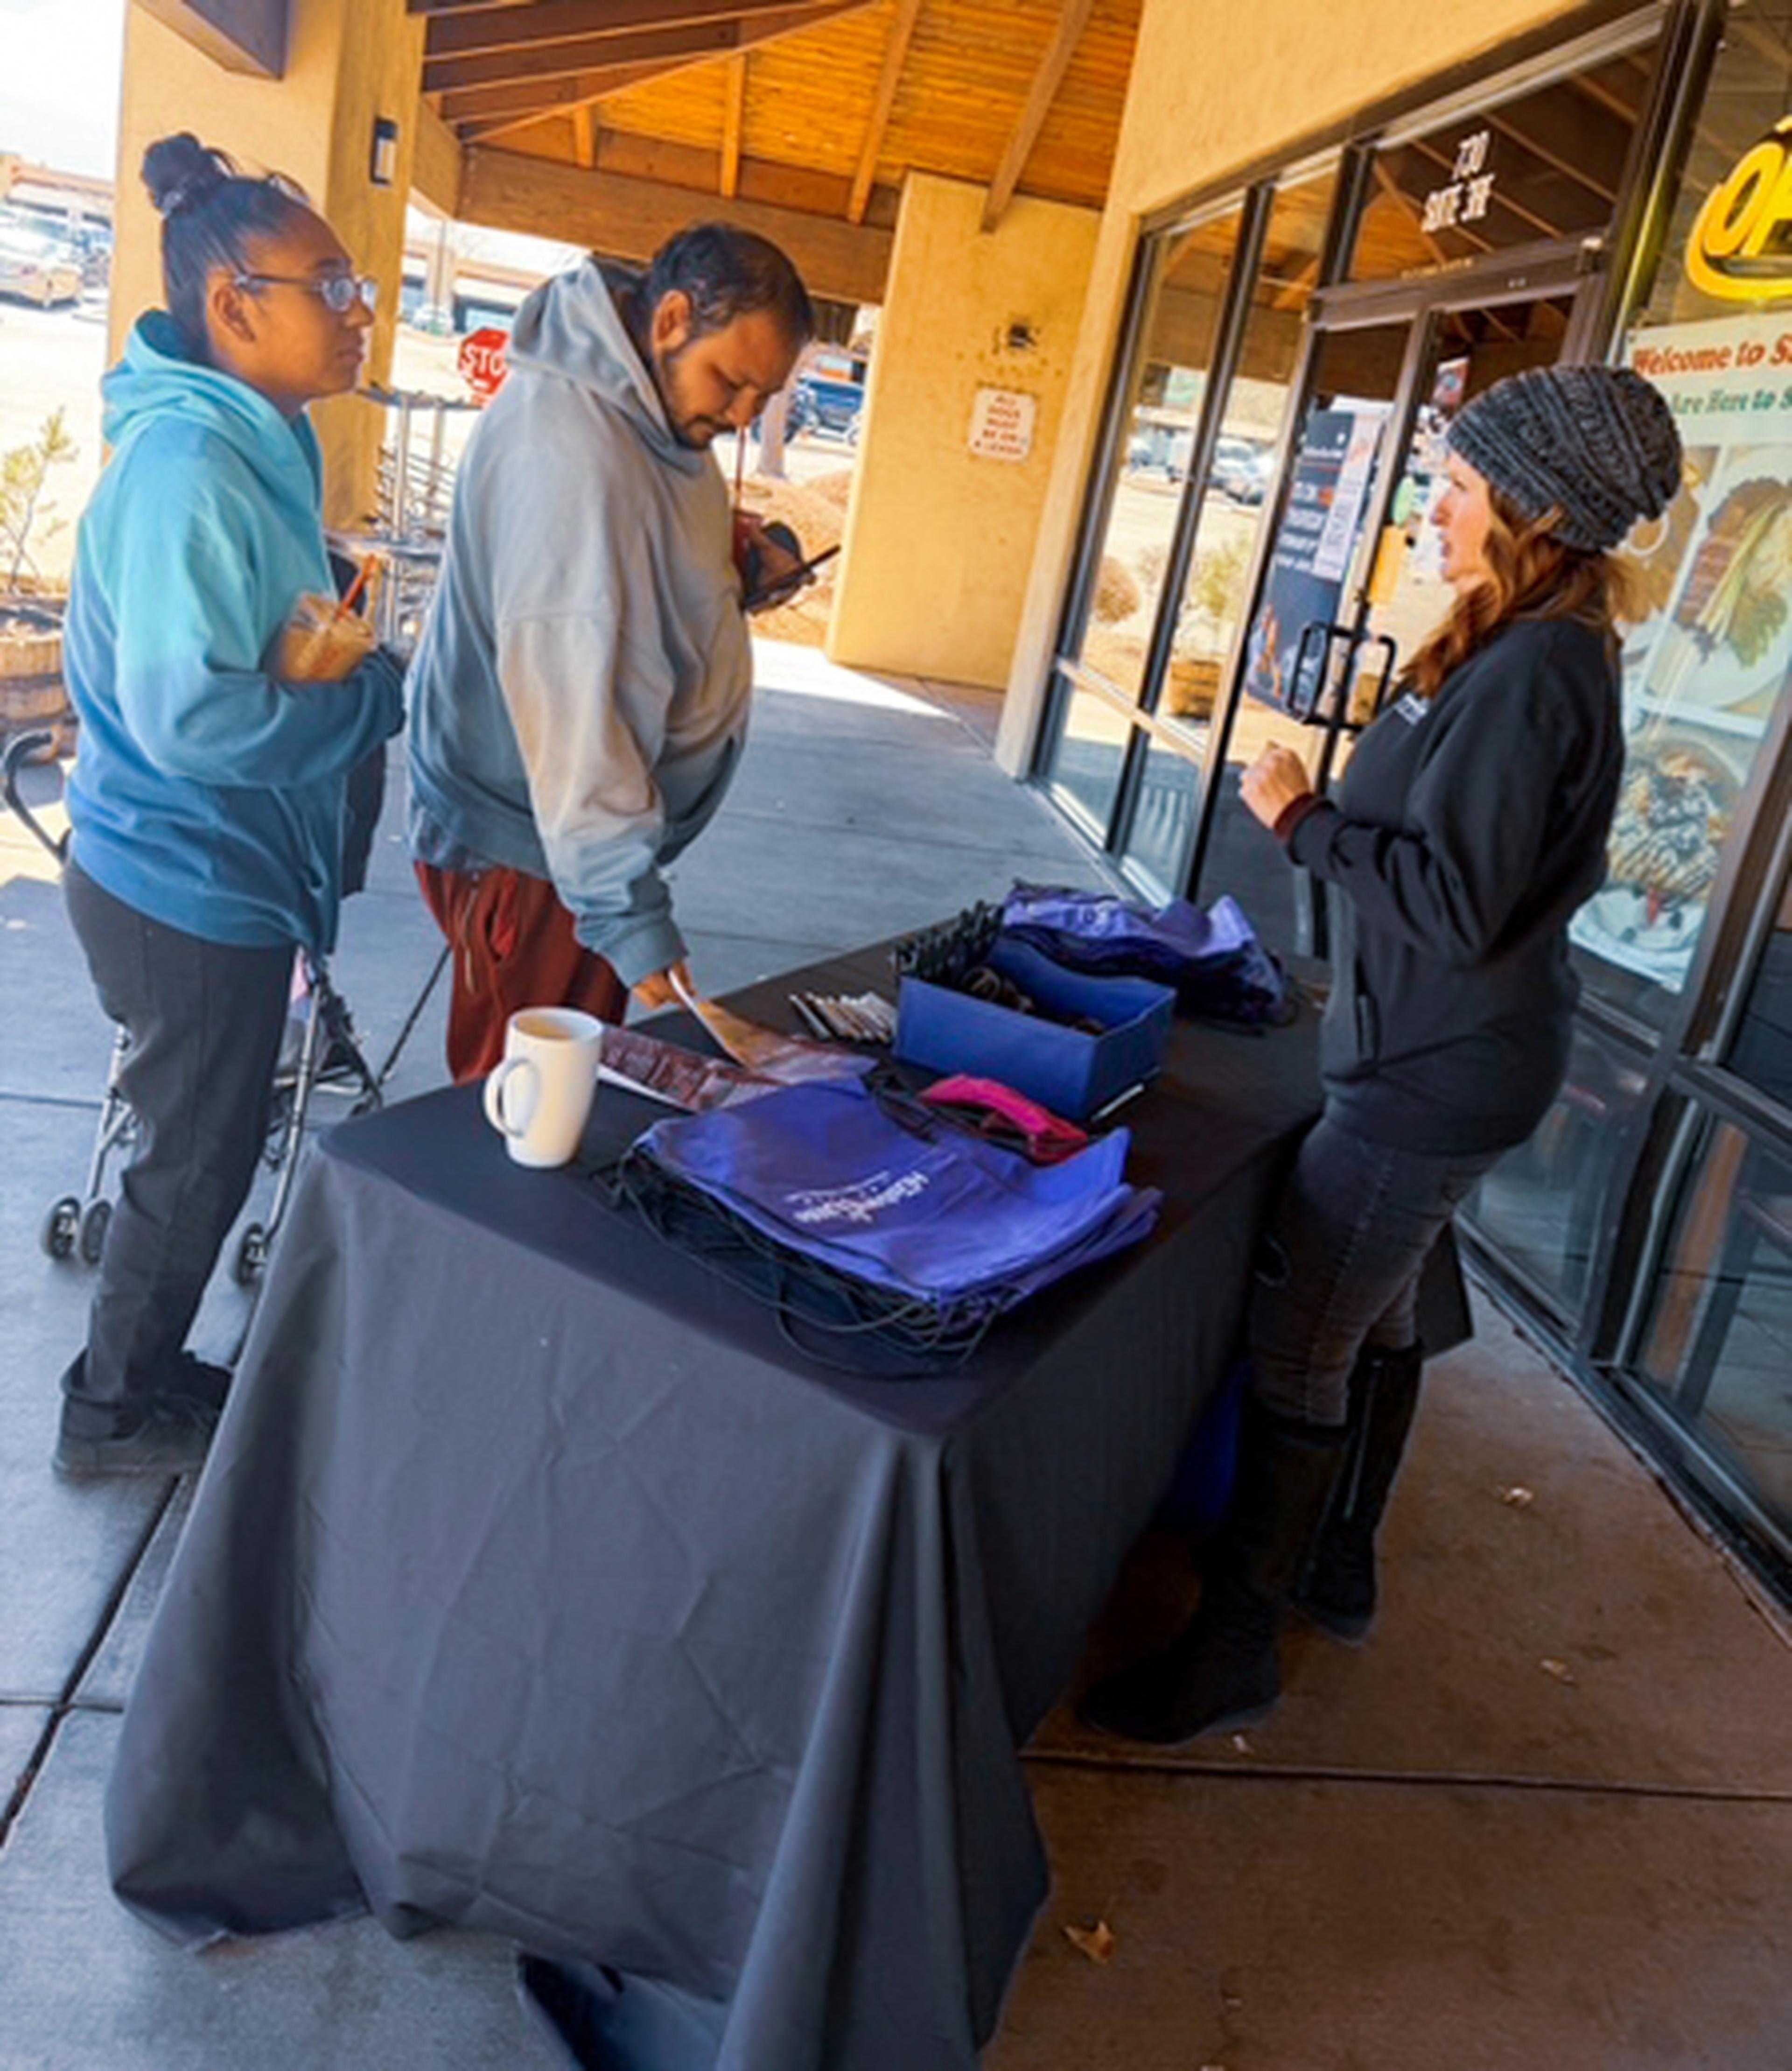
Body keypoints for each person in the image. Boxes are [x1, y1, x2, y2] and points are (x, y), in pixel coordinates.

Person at [1082, 362, 1683, 1744]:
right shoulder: (1520, 638)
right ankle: (1338, 1564)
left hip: (1433, 1071)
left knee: (1303, 1344)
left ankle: (1236, 1643)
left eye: (1460, 484)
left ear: (1533, 507)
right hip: (1446, 1054)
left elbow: (1456, 905)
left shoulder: (1536, 669)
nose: (1438, 502)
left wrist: (1302, 819)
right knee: (1385, 1310)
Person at [52, 134, 406, 1477]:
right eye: (331, 283)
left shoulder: (261, 445)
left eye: (356, 281)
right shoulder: (188, 472)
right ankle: (112, 1408)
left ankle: (140, 1373)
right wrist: (365, 706)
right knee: (191, 1156)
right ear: (233, 305)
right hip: (176, 882)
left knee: (203, 1142)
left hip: (224, 872)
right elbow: (190, 716)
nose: (359, 309)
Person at [406, 225, 815, 1081]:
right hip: (543, 849)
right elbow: (570, 706)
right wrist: (626, 913)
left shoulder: (652, 408)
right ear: (670, 319)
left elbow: (640, 547)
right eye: (733, 382)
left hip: (580, 850)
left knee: (568, 1100)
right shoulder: (568, 453)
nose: (741, 416)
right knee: (522, 1111)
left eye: (763, 397)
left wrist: (736, 560)